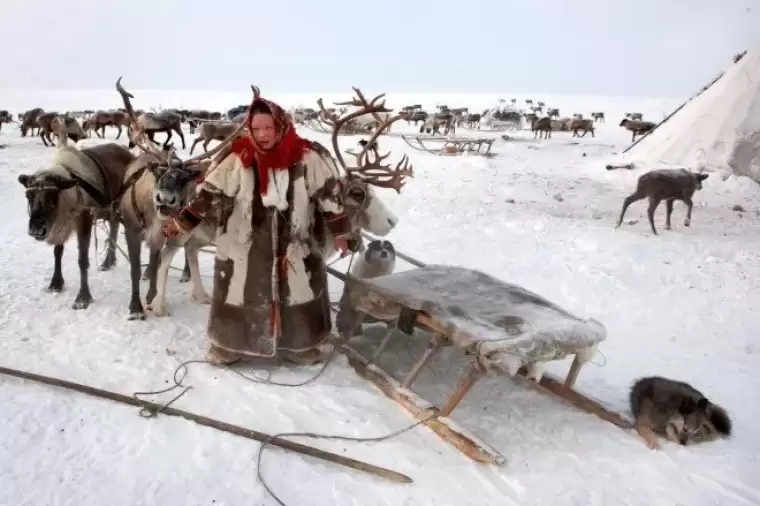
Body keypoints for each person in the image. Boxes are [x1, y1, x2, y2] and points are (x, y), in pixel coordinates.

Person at [163, 89, 354, 365]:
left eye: (268, 127)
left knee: (299, 291)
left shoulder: (308, 157)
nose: (262, 134)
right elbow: (209, 195)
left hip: (296, 245)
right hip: (244, 244)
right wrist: (182, 223)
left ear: (281, 124)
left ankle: (302, 346)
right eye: (256, 128)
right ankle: (229, 345)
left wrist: (341, 233)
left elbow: (330, 197)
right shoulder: (237, 157)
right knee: (239, 292)